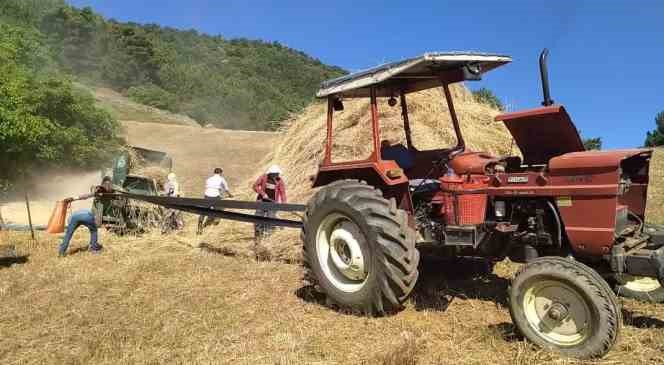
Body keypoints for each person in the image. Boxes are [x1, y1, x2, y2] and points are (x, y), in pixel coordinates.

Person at [59, 176, 115, 257]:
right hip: (88, 216)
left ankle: (61, 252)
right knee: (94, 230)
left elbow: (86, 196)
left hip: (75, 215)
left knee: (68, 234)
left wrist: (72, 198)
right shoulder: (101, 191)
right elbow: (93, 191)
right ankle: (93, 248)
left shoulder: (97, 192)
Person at [252, 165, 287, 241]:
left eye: (277, 174)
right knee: (257, 218)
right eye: (275, 174)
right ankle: (258, 236)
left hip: (272, 203)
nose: (277, 175)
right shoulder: (264, 177)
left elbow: (282, 193)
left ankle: (268, 238)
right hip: (261, 201)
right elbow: (255, 186)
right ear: (270, 173)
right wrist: (262, 193)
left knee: (270, 220)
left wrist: (284, 203)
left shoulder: (280, 181)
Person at [197, 168, 233, 235]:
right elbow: (226, 189)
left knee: (203, 212)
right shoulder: (221, 179)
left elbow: (208, 187)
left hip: (207, 196)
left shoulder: (209, 179)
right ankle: (215, 220)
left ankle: (199, 226)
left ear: (214, 173)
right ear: (221, 173)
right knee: (220, 209)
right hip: (215, 196)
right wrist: (230, 195)